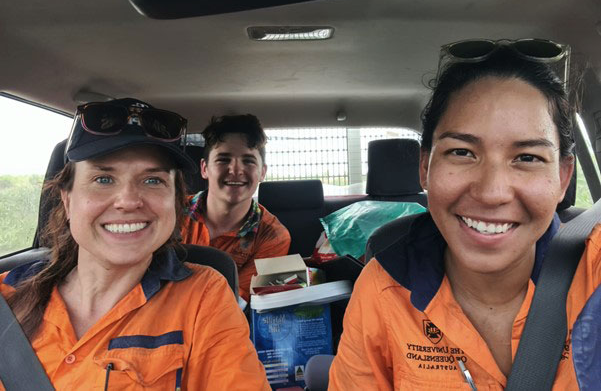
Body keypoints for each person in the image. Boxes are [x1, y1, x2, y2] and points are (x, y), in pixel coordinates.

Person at [329, 39, 601, 389]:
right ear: (425, 166)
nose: (491, 193)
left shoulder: (594, 273)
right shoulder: (384, 289)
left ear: (564, 178)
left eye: (528, 157)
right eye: (462, 152)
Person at [0, 98, 270, 390]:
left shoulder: (204, 297)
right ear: (67, 200)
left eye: (153, 181)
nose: (128, 201)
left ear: (174, 202)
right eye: (103, 179)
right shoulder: (7, 297)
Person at [181, 114, 291, 303]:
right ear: (204, 169)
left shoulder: (272, 236)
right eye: (223, 160)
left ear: (262, 172)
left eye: (248, 161)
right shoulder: (170, 213)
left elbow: (236, 301)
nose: (236, 170)